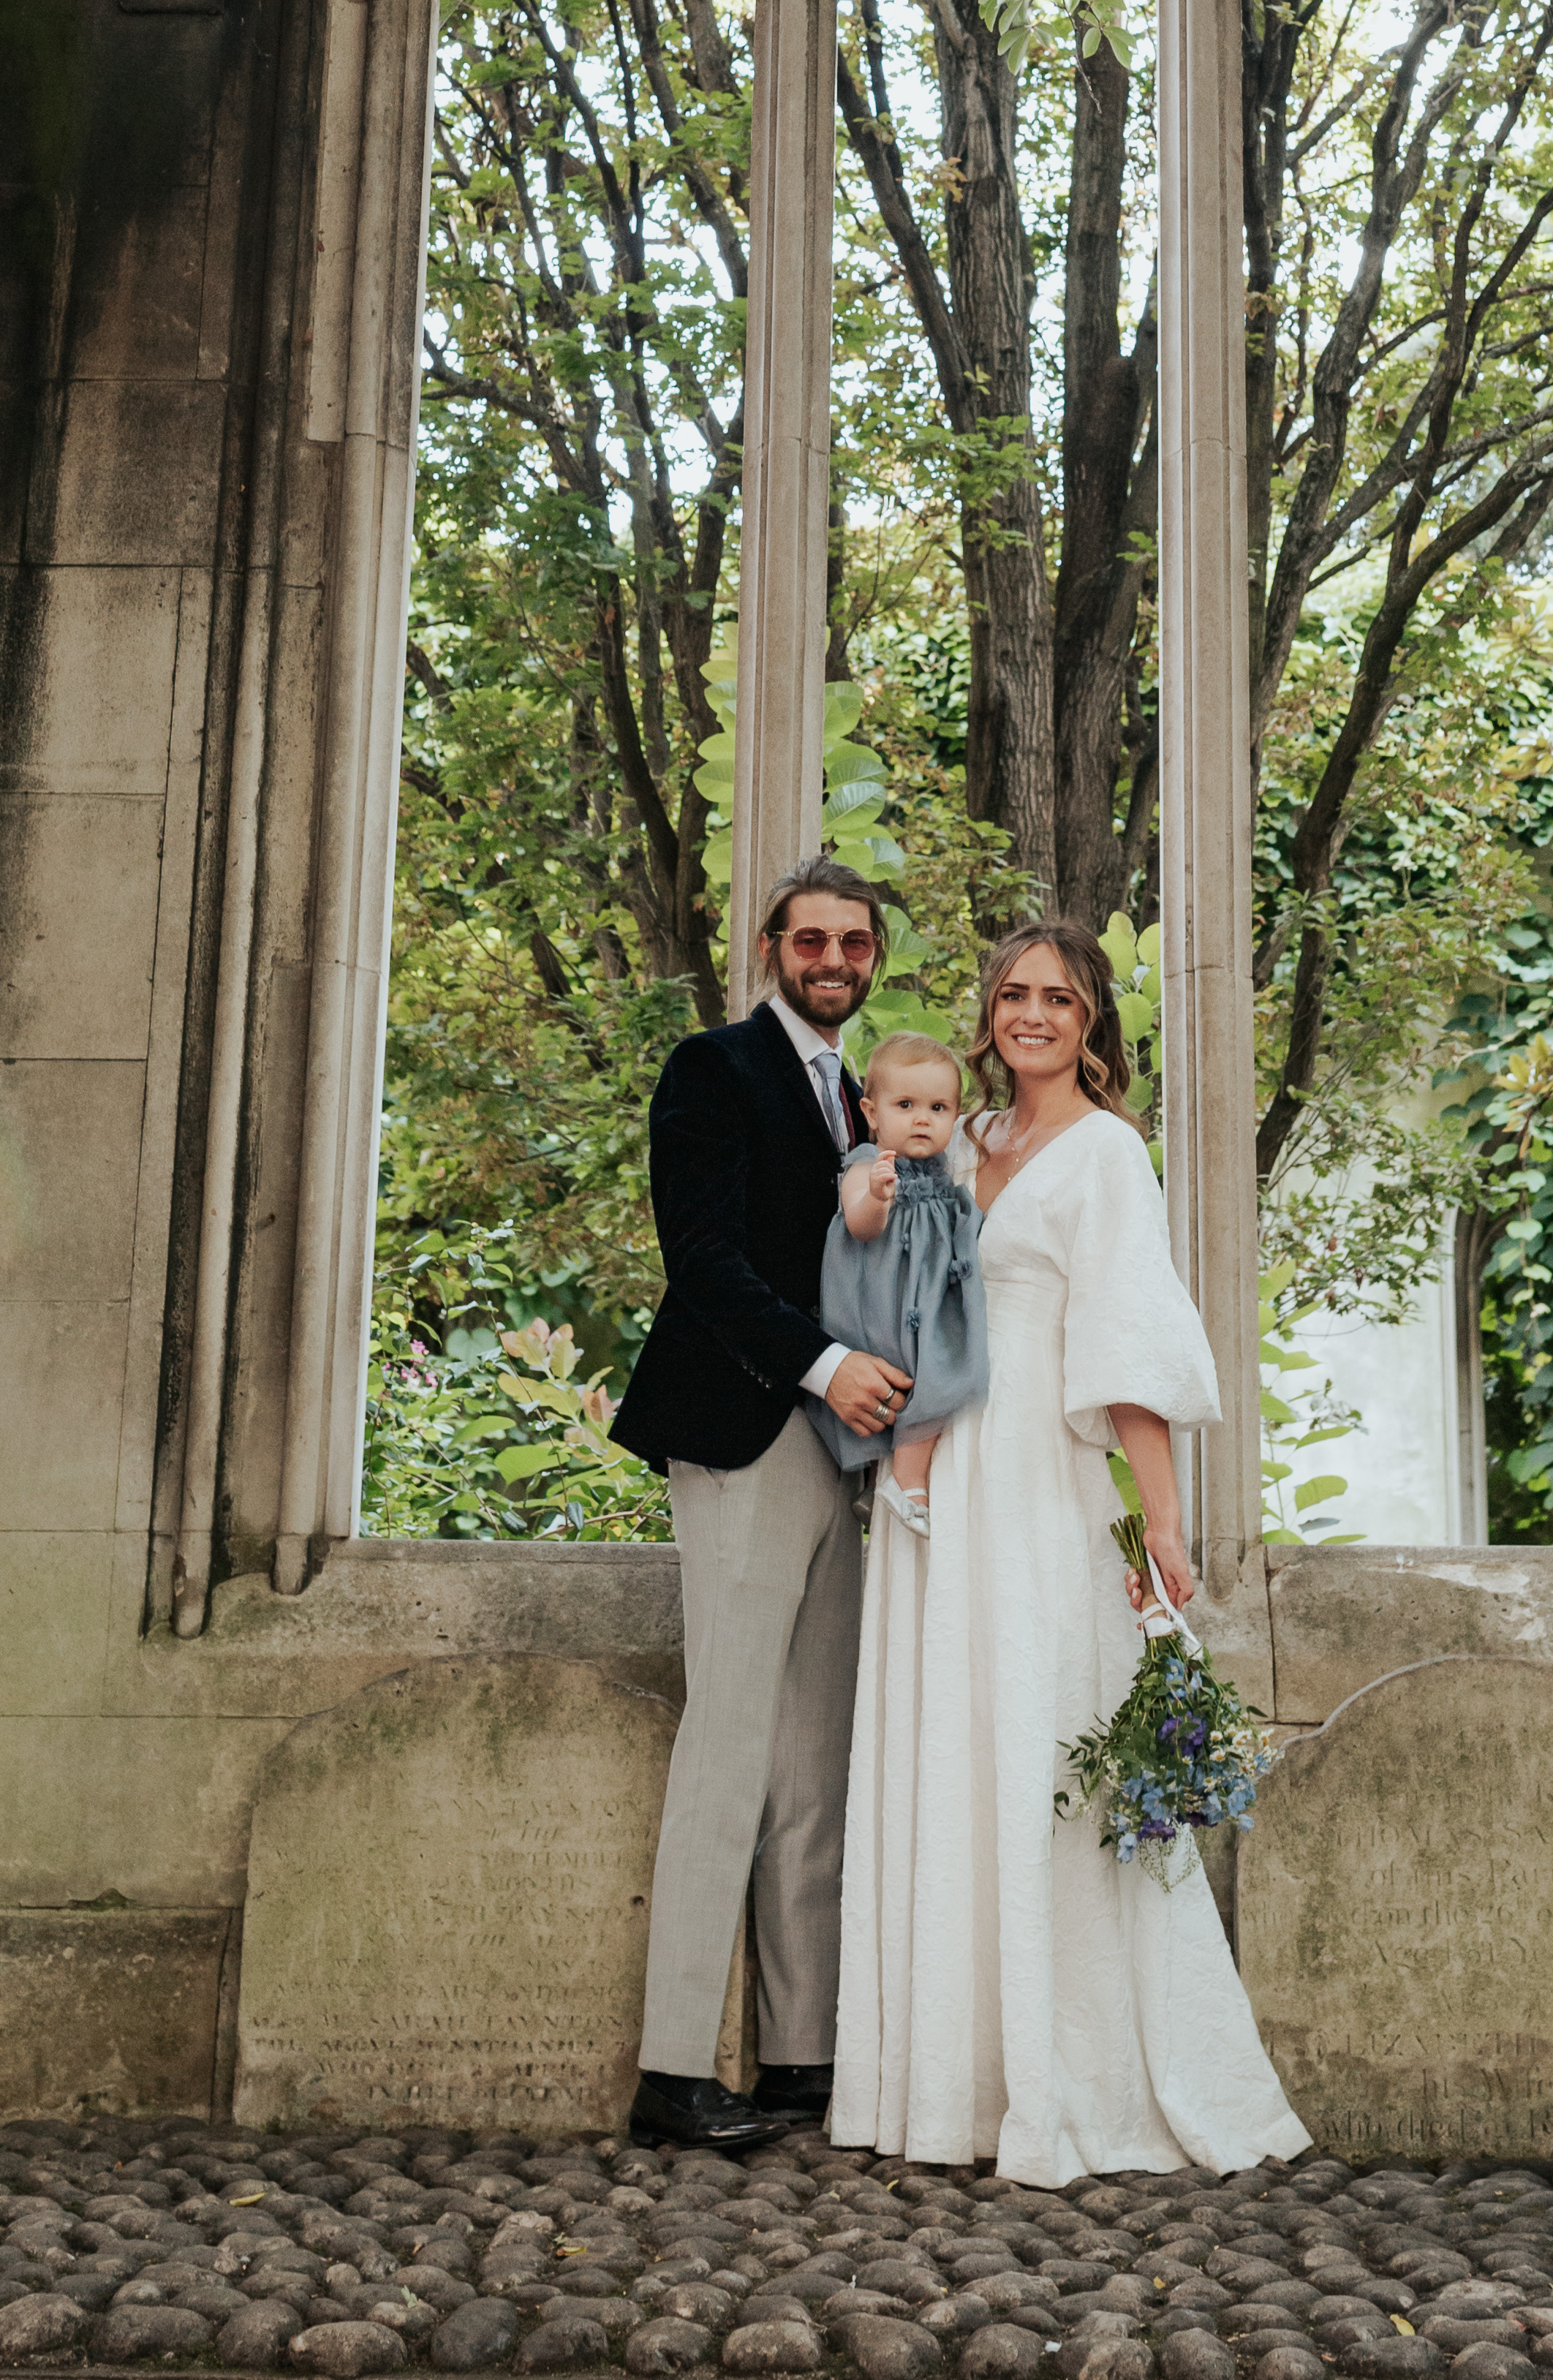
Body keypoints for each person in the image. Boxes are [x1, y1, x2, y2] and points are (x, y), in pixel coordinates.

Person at [831, 918, 1309, 2186]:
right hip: (935, 1466)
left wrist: (1157, 1516)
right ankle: (944, 2082)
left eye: (1054, 995)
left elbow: (1126, 1344)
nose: (1028, 1012)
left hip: (1038, 1475)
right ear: (984, 1012)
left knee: (1041, 1740)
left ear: (1090, 1018)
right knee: (947, 1741)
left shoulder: (1106, 1152)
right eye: (1009, 993)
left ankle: (1069, 2077)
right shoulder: (959, 1135)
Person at [611, 855, 916, 2154]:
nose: (831, 957)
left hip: (840, 1453)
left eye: (853, 940)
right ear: (769, 945)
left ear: (871, 958)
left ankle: (800, 2052)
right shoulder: (711, 1069)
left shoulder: (865, 1093)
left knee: (811, 1758)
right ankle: (673, 2067)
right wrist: (827, 1364)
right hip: (743, 1428)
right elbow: (706, 1259)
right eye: (810, 938)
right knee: (728, 1742)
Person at [804, 1033, 989, 1535]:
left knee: (944, 1373)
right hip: (880, 1306)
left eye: (938, 1106)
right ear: (871, 1111)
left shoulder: (948, 1172)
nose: (922, 1118)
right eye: (905, 1104)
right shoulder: (867, 1163)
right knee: (907, 1380)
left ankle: (899, 1478)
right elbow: (860, 1223)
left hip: (928, 1302)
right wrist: (878, 1198)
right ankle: (904, 1481)